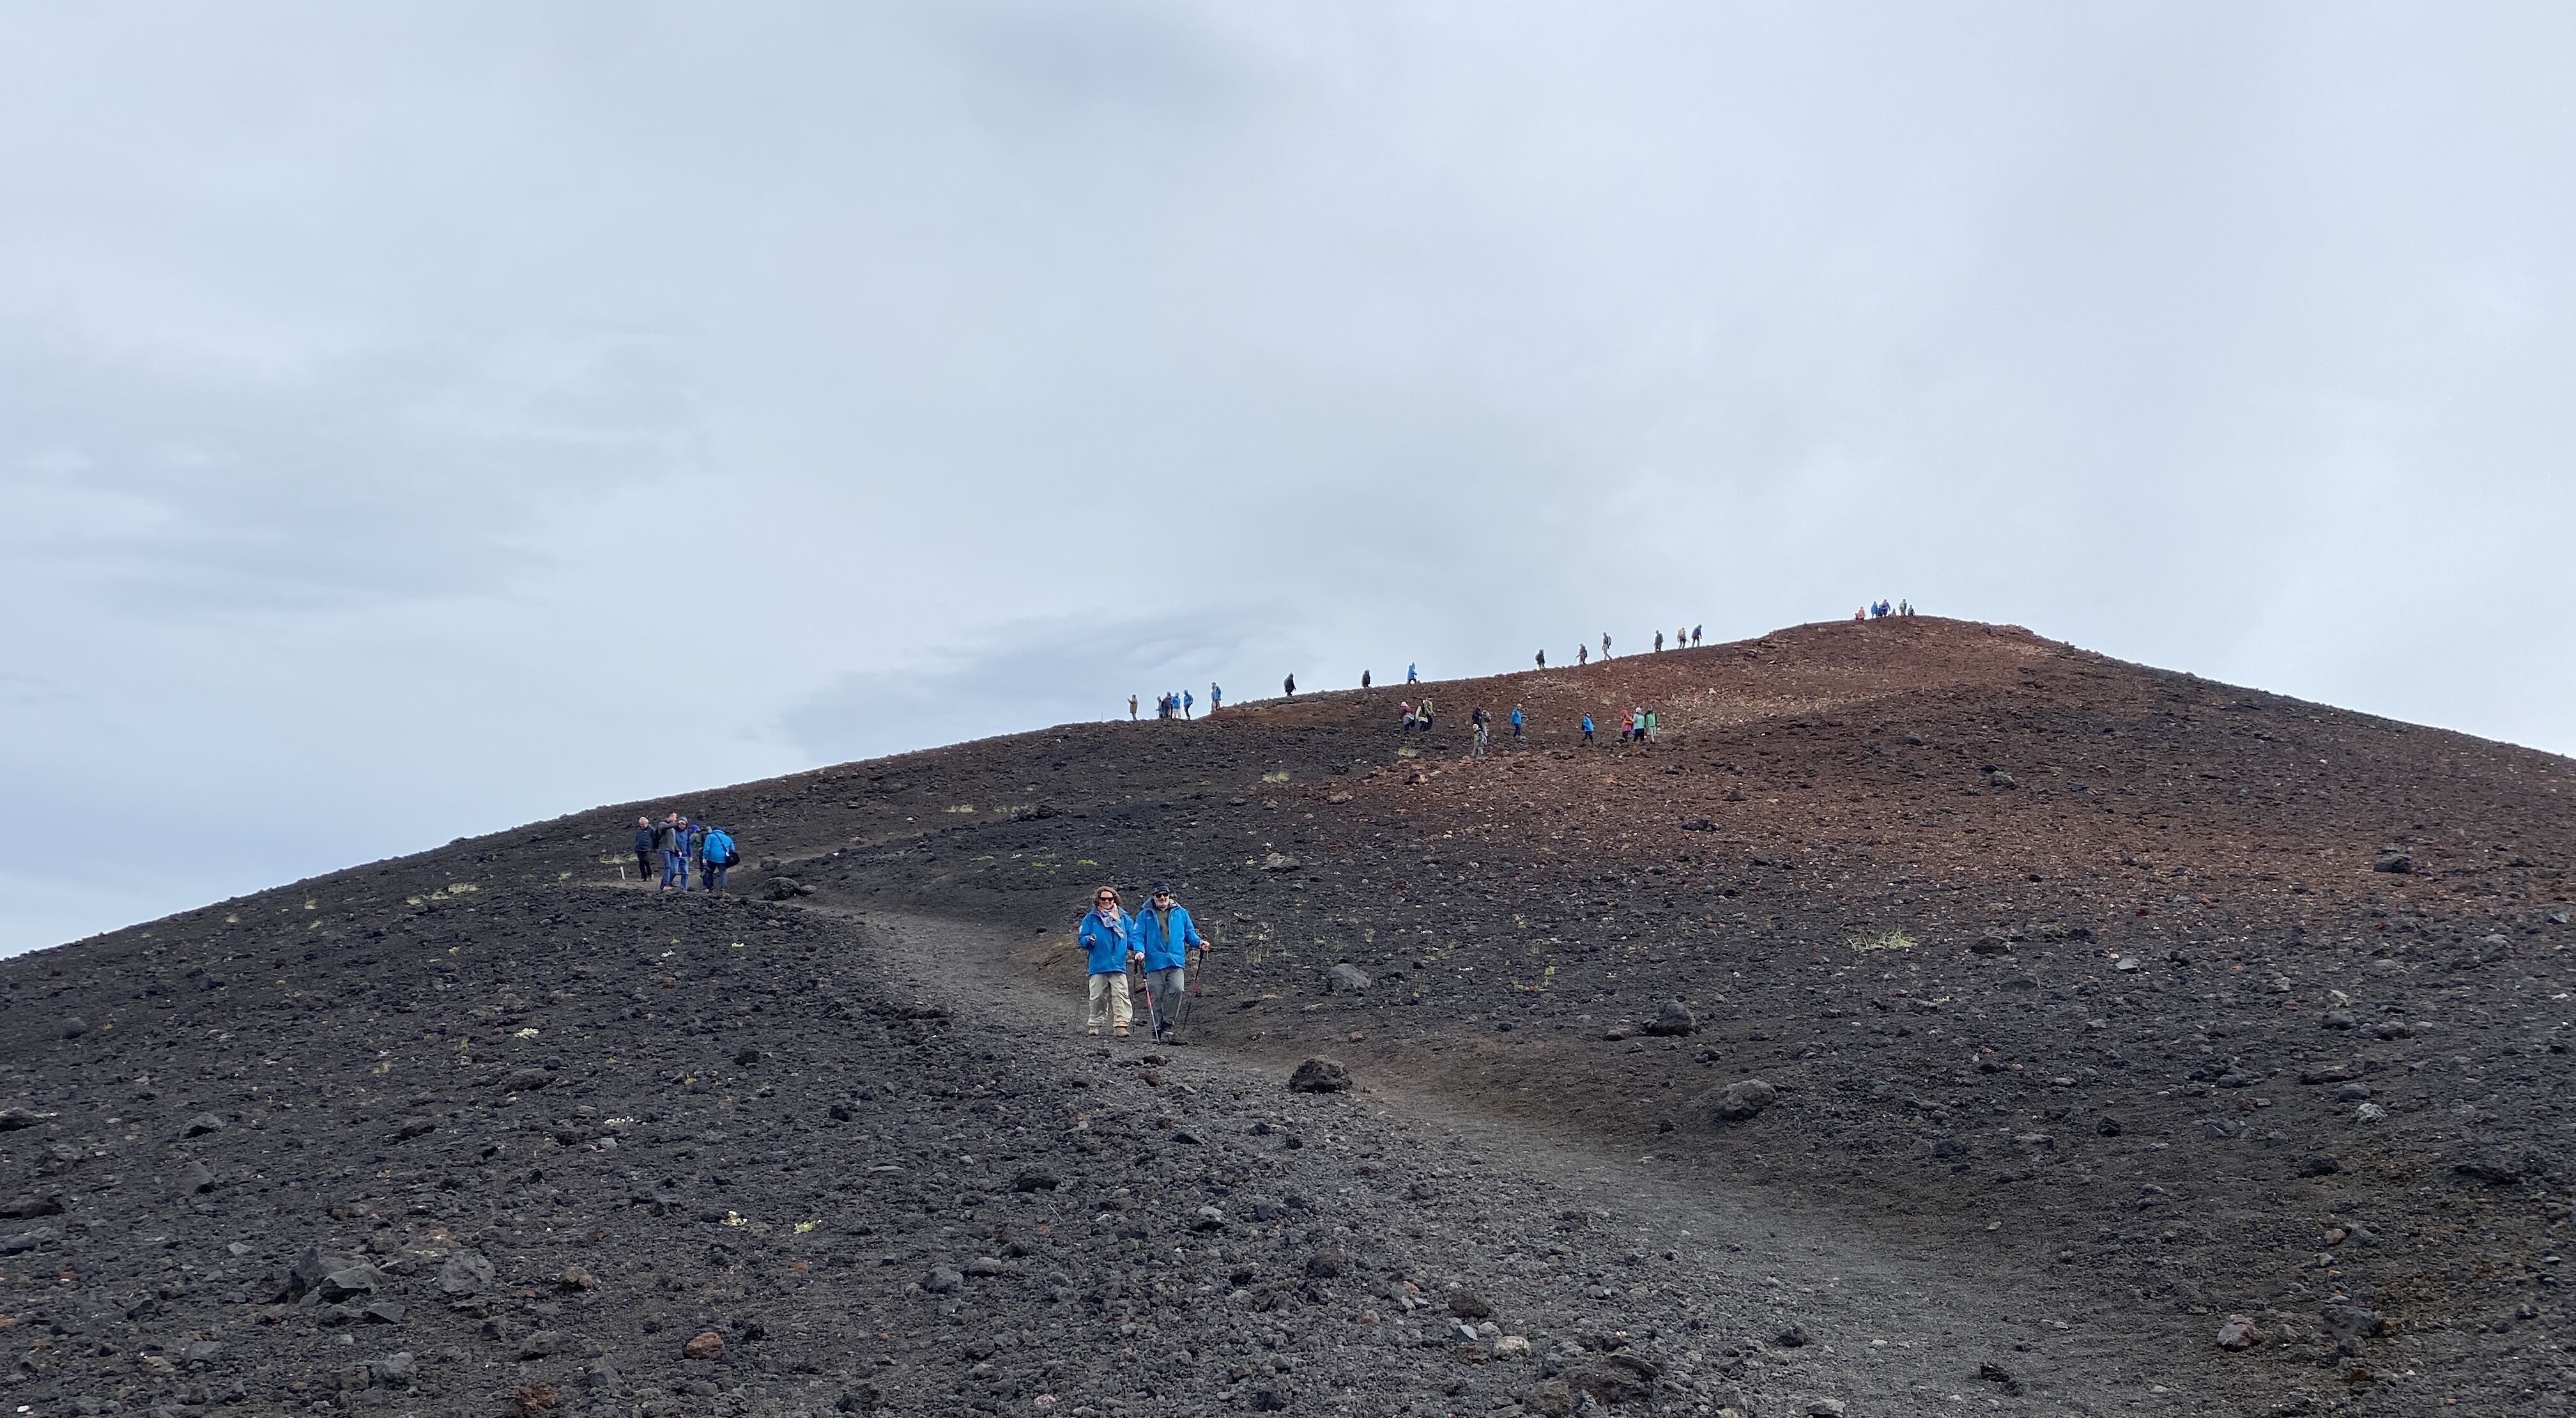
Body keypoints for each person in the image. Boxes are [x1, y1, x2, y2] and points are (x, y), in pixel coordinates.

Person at [1133, 882, 1206, 1042]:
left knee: (1178, 989)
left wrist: (1199, 942)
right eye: (1159, 895)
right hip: (1154, 962)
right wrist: (1139, 950)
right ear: (1153, 897)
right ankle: (1156, 1029)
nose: (1162, 898)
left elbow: (1189, 934)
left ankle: (1168, 1024)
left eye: (1165, 894)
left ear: (1169, 895)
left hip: (1175, 961)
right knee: (1156, 996)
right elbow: (1138, 935)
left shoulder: (1181, 913)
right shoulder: (1144, 915)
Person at [1078, 887, 1139, 1038]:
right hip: (1098, 964)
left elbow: (1132, 938)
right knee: (1097, 996)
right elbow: (1082, 937)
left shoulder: (1124, 918)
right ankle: (1095, 1024)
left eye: (1110, 899)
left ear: (1115, 899)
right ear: (1098, 900)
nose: (1107, 902)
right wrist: (1087, 940)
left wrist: (1138, 950)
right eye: (1103, 899)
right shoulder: (1091, 918)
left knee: (1121, 995)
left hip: (1118, 964)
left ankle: (1121, 1026)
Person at [657, 813, 689, 891]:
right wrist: (677, 824)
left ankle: (665, 885)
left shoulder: (672, 828)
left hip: (671, 850)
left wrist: (678, 850)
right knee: (668, 866)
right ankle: (665, 885)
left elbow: (673, 841)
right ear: (670, 816)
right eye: (675, 817)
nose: (676, 819)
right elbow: (664, 827)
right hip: (665, 848)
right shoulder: (662, 824)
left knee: (671, 868)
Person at [701, 823, 737, 892]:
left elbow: (707, 848)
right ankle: (723, 889)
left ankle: (711, 888)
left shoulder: (710, 836)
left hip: (712, 858)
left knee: (710, 872)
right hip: (723, 859)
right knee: (723, 873)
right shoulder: (728, 838)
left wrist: (704, 858)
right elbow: (732, 849)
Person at [631, 817, 657, 883]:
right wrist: (636, 847)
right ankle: (643, 877)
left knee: (646, 861)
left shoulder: (651, 830)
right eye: (641, 824)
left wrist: (654, 848)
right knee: (641, 863)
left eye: (644, 824)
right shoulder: (639, 830)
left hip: (647, 848)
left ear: (647, 823)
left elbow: (655, 839)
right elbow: (637, 839)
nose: (643, 826)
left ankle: (650, 874)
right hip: (639, 848)